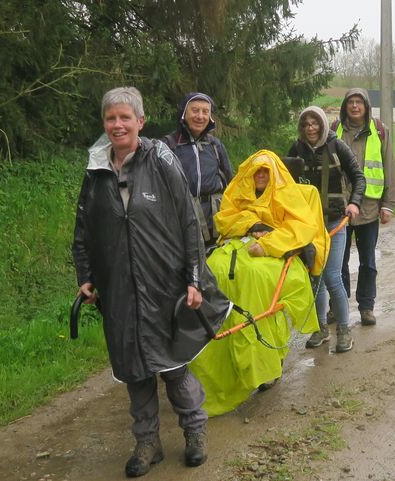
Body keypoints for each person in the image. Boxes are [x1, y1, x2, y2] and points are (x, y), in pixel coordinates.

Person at [71, 87, 230, 478]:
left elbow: (189, 221)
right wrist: (87, 277)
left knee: (174, 367)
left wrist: (194, 278)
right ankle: (147, 443)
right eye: (111, 118)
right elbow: (83, 230)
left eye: (125, 117)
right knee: (134, 371)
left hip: (164, 285)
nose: (118, 124)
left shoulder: (160, 159)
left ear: (140, 122)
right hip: (120, 289)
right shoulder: (95, 172)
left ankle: (194, 432)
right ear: (104, 124)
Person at [190, 149, 322, 416]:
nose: (261, 175)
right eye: (257, 171)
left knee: (256, 281)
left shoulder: (290, 197)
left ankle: (263, 358)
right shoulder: (240, 195)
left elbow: (301, 229)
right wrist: (251, 224)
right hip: (238, 250)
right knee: (213, 270)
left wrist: (269, 242)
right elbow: (226, 219)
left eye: (266, 171)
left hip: (275, 254)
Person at [286, 106, 366, 352]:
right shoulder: (295, 150)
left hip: (334, 222)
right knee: (315, 278)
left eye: (315, 123)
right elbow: (284, 185)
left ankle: (344, 330)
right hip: (308, 225)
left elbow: (358, 177)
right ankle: (320, 328)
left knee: (331, 276)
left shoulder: (337, 146)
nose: (311, 128)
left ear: (322, 124)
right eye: (306, 124)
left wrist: (354, 203)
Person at [332, 88, 395, 326]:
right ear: (345, 106)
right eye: (351, 102)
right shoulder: (334, 130)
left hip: (369, 208)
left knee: (367, 261)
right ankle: (337, 307)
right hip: (340, 207)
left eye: (360, 102)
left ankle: (366, 306)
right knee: (337, 262)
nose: (355, 106)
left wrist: (388, 204)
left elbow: (389, 167)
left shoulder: (380, 131)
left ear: (367, 106)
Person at [163, 92, 233, 249]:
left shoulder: (215, 146)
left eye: (205, 111)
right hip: (181, 222)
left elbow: (231, 182)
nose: (200, 116)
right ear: (184, 113)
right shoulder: (169, 145)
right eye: (195, 110)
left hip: (216, 223)